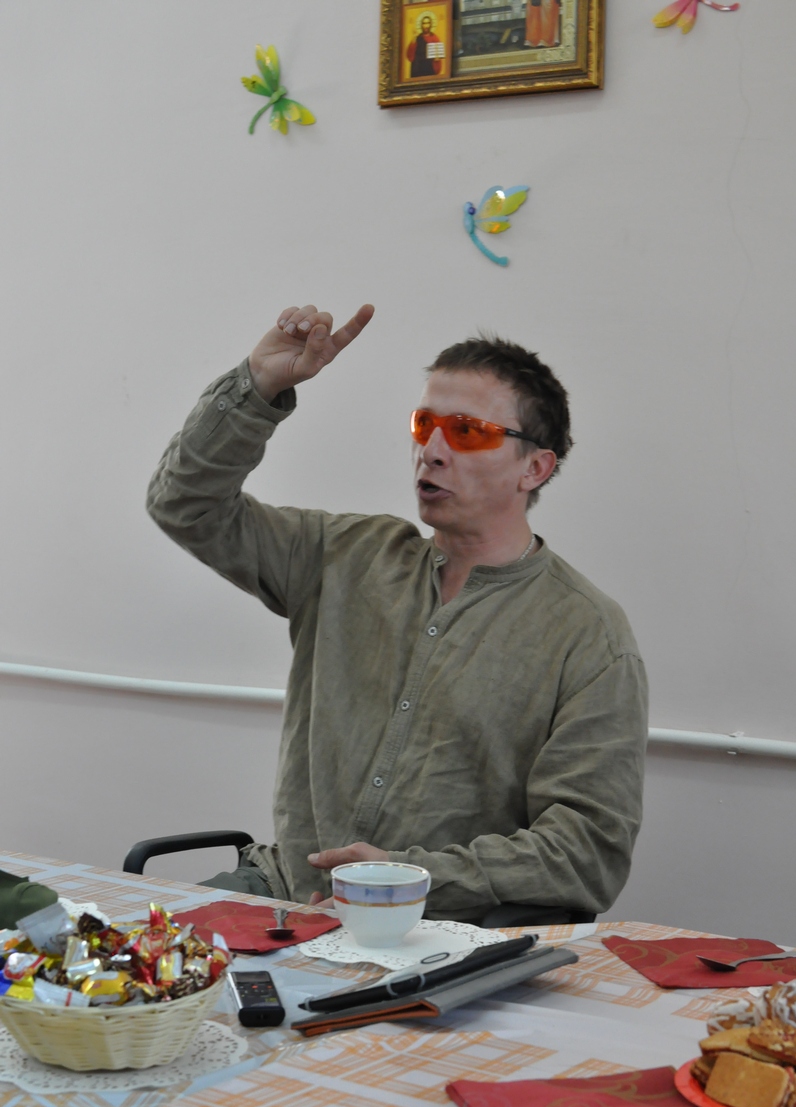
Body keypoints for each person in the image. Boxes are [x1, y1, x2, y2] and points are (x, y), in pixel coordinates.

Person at [146, 304, 647, 924]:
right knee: (121, 960)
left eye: (467, 432)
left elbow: (587, 854)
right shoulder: (345, 555)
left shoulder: (588, 635)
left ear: (534, 467)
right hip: (286, 892)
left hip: (436, 927)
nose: (432, 450)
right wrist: (258, 386)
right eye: (424, 424)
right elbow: (185, 504)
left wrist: (403, 878)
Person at [406, 14, 444, 78]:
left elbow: (438, 57)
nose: (426, 26)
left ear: (431, 24)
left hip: (429, 69)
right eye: (424, 23)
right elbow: (410, 56)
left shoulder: (434, 38)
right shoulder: (417, 38)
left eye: (428, 23)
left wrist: (437, 60)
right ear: (421, 25)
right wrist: (414, 38)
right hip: (417, 70)